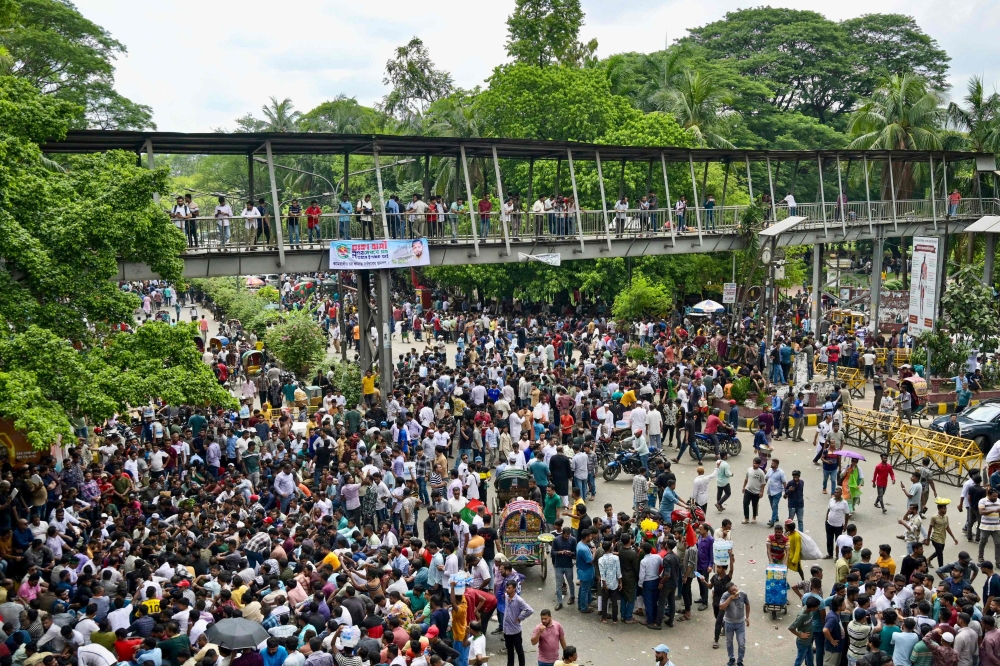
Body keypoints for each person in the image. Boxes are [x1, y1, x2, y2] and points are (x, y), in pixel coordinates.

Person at [501, 580, 533, 666]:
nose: (507, 590)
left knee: (519, 651)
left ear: (514, 589)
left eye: (509, 588)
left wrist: (520, 618)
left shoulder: (519, 600)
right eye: (506, 588)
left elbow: (530, 610)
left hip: (515, 631)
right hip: (506, 630)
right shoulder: (506, 597)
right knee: (510, 651)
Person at [719, 582, 749, 666]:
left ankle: (740, 661)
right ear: (729, 592)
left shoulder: (743, 594)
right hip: (729, 623)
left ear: (736, 586)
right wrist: (730, 598)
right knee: (729, 642)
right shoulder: (725, 595)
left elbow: (747, 604)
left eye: (734, 589)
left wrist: (747, 617)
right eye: (731, 591)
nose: (734, 591)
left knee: (742, 643)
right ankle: (731, 658)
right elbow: (721, 607)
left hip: (740, 623)